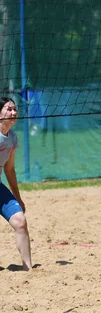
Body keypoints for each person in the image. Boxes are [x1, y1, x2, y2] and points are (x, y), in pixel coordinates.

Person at [0, 97, 33, 271]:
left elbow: (10, 170)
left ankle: (28, 269)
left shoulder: (12, 138)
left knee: (20, 221)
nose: (13, 112)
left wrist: (18, 198)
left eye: (15, 109)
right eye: (8, 109)